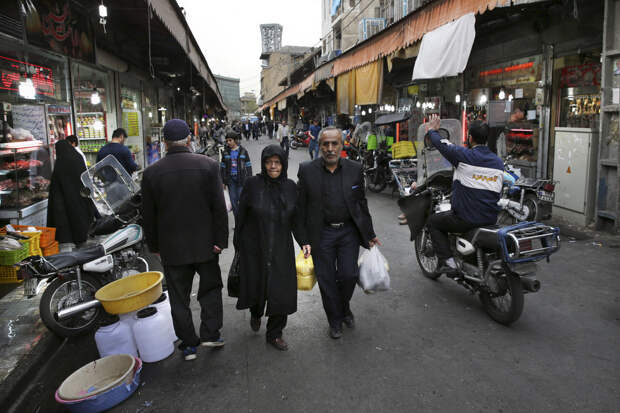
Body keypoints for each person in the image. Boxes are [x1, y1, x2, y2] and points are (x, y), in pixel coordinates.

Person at [141, 119, 228, 361]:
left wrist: (155, 246)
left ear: (165, 143)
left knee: (179, 297)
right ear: (189, 139)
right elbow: (219, 208)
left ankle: (189, 344)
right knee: (210, 290)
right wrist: (220, 240)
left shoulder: (151, 173)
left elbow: (148, 216)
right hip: (206, 244)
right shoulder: (209, 166)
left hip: (172, 248)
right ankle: (211, 333)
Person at [296, 126, 379, 339]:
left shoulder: (354, 168)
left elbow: (361, 204)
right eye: (326, 144)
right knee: (326, 280)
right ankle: (335, 319)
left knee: (348, 275)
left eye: (335, 144)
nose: (330, 148)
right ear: (320, 146)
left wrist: (369, 233)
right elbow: (300, 208)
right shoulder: (307, 170)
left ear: (342, 146)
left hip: (348, 232)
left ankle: (343, 307)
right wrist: (303, 239)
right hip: (321, 234)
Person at [234, 145, 308, 351]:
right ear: (263, 163)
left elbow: (297, 220)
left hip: (281, 249)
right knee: (257, 288)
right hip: (255, 247)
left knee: (280, 291)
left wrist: (304, 242)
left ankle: (275, 333)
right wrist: (238, 243)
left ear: (283, 164)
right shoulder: (252, 184)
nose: (272, 166)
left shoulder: (291, 187)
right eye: (268, 162)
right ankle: (256, 312)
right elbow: (241, 215)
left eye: (277, 162)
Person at [425, 114, 504, 275]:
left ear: (469, 137)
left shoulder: (464, 156)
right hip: (490, 218)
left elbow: (441, 144)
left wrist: (433, 130)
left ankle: (448, 261)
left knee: (433, 221)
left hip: (466, 219)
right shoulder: (498, 162)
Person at [47, 140, 95, 252]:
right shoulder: (77, 157)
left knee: (69, 219)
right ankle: (82, 238)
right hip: (81, 195)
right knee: (80, 218)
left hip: (66, 199)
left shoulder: (60, 162)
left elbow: (56, 186)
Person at [221, 132, 252, 218]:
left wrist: (250, 179)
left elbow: (248, 166)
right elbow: (222, 167)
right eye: (227, 141)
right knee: (233, 201)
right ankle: (238, 222)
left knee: (242, 201)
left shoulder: (243, 151)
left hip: (241, 179)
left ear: (235, 140)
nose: (228, 143)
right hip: (230, 180)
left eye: (230, 140)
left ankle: (243, 220)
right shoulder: (225, 152)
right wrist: (223, 181)